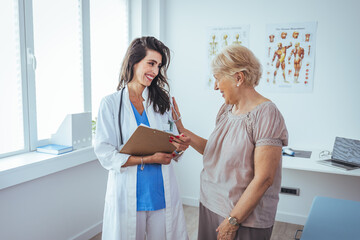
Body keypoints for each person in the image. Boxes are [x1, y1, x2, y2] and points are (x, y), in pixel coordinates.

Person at [171, 44, 288, 240]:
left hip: (242, 216)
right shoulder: (226, 110)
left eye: (217, 79)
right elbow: (217, 151)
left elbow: (264, 178)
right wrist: (183, 131)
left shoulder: (267, 114)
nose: (215, 86)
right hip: (211, 203)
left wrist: (233, 220)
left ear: (238, 78)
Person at [94, 36, 190, 240]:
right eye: (151, 63)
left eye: (159, 66)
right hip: (127, 194)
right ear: (134, 62)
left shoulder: (161, 102)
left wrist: (180, 147)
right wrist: (148, 159)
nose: (155, 71)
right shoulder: (110, 104)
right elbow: (105, 153)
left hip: (160, 192)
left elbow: (171, 145)